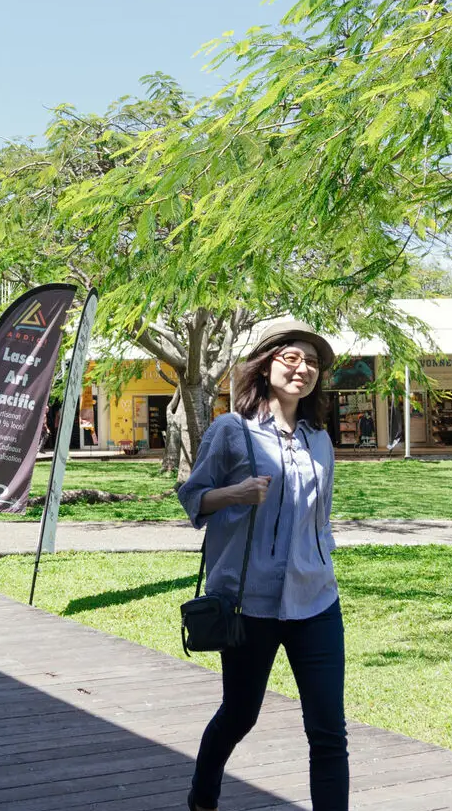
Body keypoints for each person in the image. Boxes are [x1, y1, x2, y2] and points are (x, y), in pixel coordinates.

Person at [176, 320, 346, 810]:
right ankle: (203, 794)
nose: (303, 369)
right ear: (267, 363)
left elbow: (321, 518)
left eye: (312, 363)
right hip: (250, 603)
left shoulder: (320, 440)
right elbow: (193, 498)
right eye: (292, 357)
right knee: (240, 713)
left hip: (316, 599)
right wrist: (238, 493)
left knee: (328, 731)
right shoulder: (232, 430)